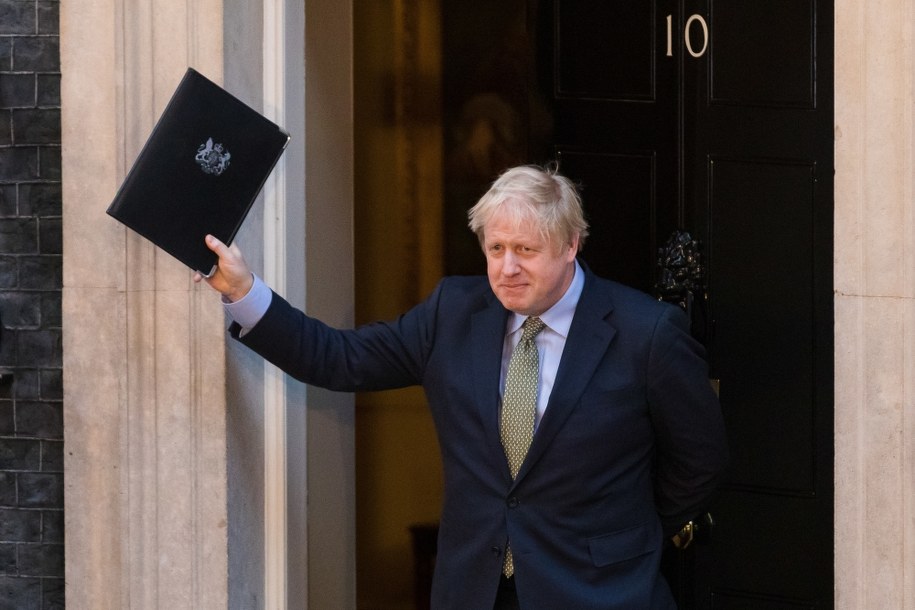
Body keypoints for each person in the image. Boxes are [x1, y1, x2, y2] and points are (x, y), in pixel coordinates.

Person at [196, 164, 728, 609]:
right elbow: (339, 359)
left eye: (526, 249)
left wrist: (622, 526)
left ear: (571, 244)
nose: (508, 268)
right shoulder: (453, 312)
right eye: (495, 248)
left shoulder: (646, 333)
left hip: (601, 591)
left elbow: (700, 459)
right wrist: (245, 291)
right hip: (475, 590)